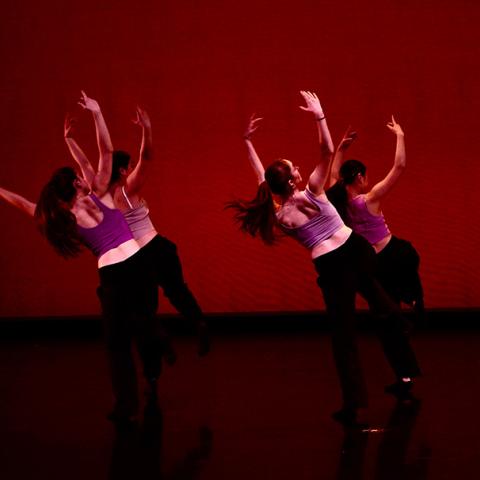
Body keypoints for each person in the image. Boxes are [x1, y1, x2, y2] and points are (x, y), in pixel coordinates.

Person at [228, 91, 421, 427]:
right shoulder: (312, 191)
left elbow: (262, 178)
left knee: (343, 335)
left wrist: (247, 142)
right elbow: (327, 151)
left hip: (332, 266)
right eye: (292, 167)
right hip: (354, 252)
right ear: (291, 180)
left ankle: (354, 399)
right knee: (378, 300)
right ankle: (397, 315)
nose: (298, 166)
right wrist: (319, 116)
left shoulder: (279, 212)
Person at [2, 92, 163, 425]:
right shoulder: (96, 195)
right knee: (118, 341)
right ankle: (129, 400)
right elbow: (104, 152)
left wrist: (93, 118)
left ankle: (146, 378)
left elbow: (25, 204)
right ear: (74, 184)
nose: (82, 175)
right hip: (126, 271)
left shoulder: (83, 203)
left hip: (122, 274)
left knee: (139, 334)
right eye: (77, 176)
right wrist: (97, 112)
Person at [64, 106, 209, 356]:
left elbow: (85, 163)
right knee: (176, 291)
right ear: (121, 171)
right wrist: (147, 129)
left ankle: (158, 345)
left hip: (135, 259)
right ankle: (198, 324)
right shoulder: (125, 188)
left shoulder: (99, 194)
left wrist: (69, 139)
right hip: (153, 249)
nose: (131, 170)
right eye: (128, 166)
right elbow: (147, 157)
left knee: (146, 307)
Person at [326, 120, 424, 315]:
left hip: (370, 260)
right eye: (366, 177)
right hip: (392, 253)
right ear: (360, 177)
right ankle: (412, 299)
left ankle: (401, 310)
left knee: (386, 302)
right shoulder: (370, 199)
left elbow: (334, 175)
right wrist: (400, 135)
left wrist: (340, 149)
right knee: (409, 254)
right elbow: (399, 166)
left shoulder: (338, 199)